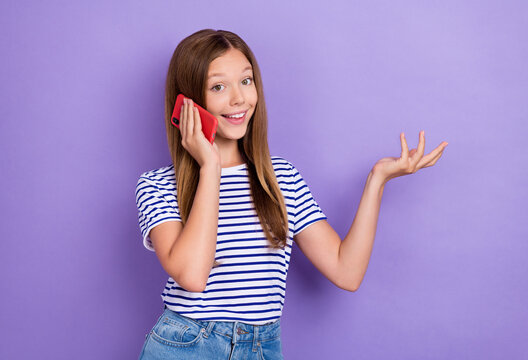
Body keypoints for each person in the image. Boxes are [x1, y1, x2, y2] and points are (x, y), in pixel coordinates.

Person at [135, 29, 448, 360]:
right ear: (187, 103)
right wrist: (209, 167)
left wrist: (377, 180)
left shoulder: (279, 179)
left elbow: (347, 272)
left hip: (262, 347)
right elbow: (193, 276)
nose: (239, 98)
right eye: (218, 87)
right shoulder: (157, 185)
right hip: (187, 346)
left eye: (246, 80)